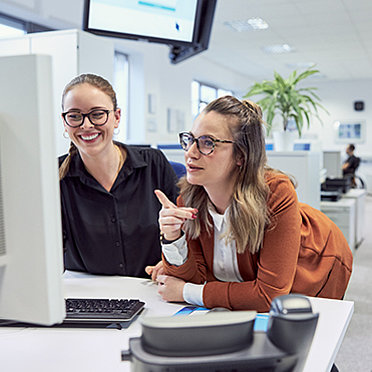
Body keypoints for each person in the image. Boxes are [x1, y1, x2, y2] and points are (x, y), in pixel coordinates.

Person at [154, 95, 353, 312]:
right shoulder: (189, 199)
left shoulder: (276, 192)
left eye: (207, 143)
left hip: (314, 266)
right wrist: (173, 239)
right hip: (255, 287)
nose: (190, 152)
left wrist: (186, 292)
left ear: (241, 155)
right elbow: (195, 277)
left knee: (302, 338)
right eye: (190, 140)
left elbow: (269, 296)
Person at [59, 73, 178, 278]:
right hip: (87, 296)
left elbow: (190, 235)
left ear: (116, 117)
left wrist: (171, 261)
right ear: (65, 121)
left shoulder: (153, 165)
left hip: (152, 288)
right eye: (75, 116)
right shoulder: (54, 177)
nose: (86, 125)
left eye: (97, 114)